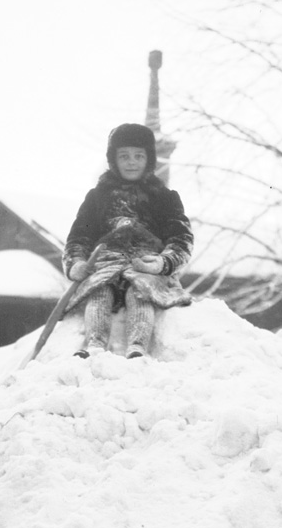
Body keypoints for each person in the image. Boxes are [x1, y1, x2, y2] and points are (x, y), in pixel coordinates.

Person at [62, 123, 194, 359]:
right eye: (124, 156)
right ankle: (94, 344)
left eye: (138, 156)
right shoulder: (97, 197)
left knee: (140, 290)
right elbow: (79, 236)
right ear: (113, 160)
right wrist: (76, 263)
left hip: (144, 265)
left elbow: (181, 238)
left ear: (149, 159)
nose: (131, 162)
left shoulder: (165, 198)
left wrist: (162, 263)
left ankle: (137, 348)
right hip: (105, 264)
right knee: (99, 291)